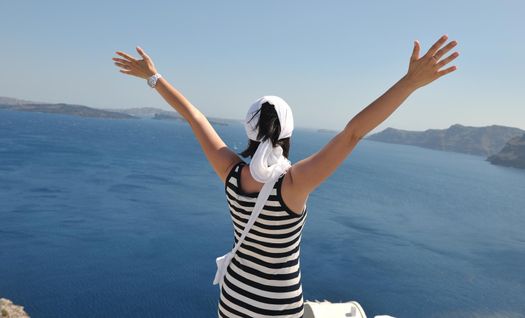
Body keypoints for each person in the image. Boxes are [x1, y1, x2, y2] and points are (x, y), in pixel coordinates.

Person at [112, 35, 459, 317]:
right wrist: (410, 83)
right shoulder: (293, 184)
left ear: (250, 133)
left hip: (231, 305)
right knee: (352, 312)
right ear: (289, 135)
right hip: (278, 312)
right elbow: (353, 132)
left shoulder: (231, 173)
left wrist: (153, 78)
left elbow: (196, 118)